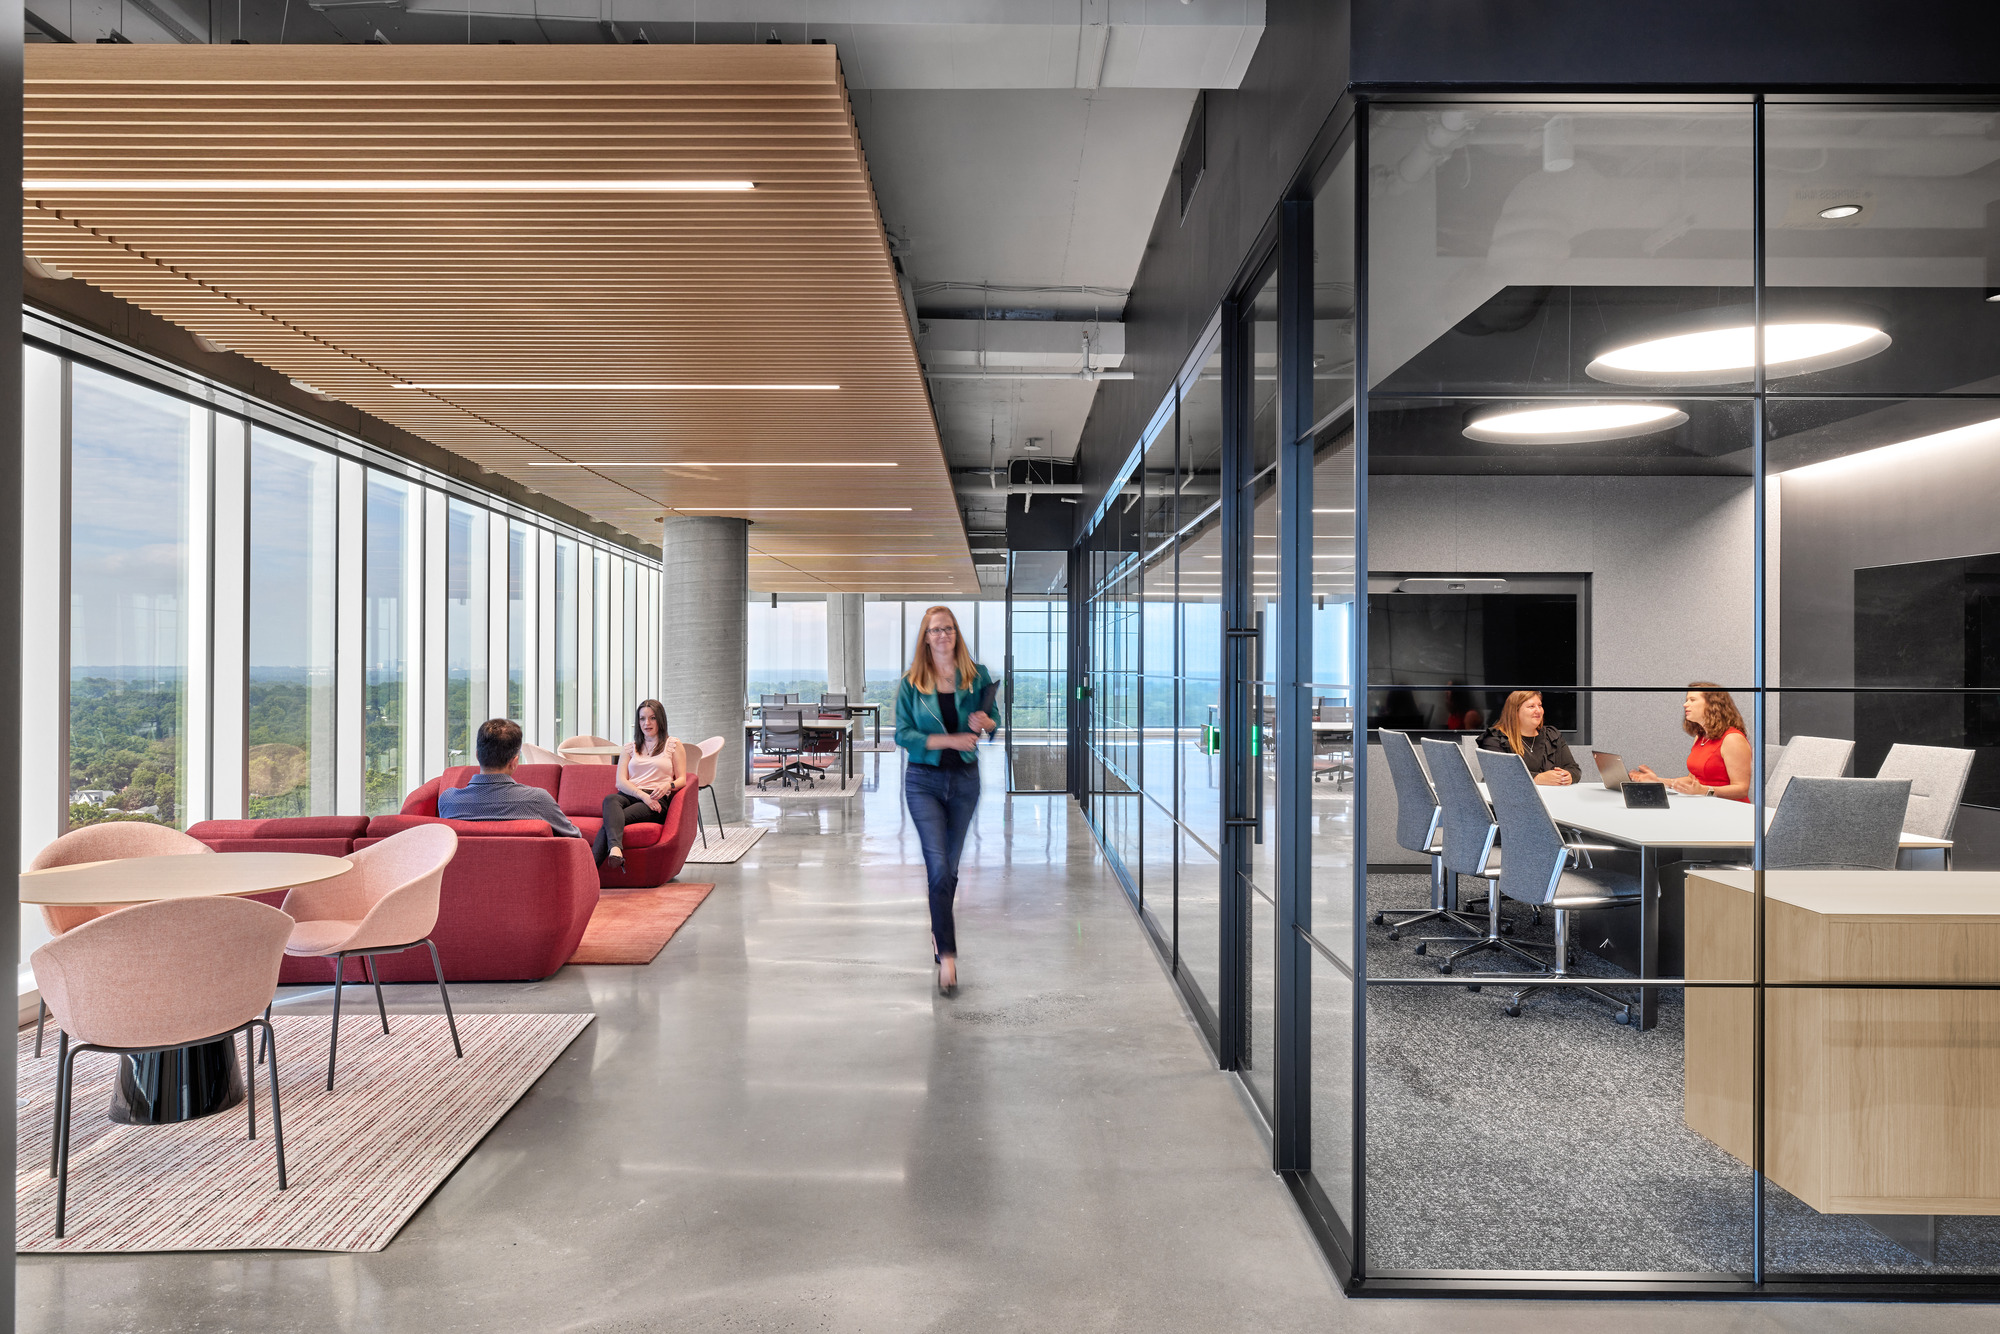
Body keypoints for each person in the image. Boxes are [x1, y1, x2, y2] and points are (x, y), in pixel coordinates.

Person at [894, 605, 998, 997]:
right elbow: (903, 735)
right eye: (935, 630)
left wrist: (987, 724)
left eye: (948, 629)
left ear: (956, 634)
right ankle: (948, 953)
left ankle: (939, 933)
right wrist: (949, 740)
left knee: (949, 870)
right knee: (937, 865)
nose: (943, 635)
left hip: (965, 783)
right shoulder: (912, 684)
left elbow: (995, 720)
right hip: (924, 783)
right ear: (925, 637)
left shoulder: (977, 677)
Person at [439, 718, 584, 838]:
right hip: (528, 872)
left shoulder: (448, 801)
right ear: (514, 762)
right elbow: (574, 836)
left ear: (477, 755)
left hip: (464, 872)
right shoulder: (537, 800)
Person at [596, 698, 686, 869]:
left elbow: (682, 779)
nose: (647, 723)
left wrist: (669, 786)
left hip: (656, 799)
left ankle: (588, 872)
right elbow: (620, 782)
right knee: (610, 799)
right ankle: (615, 849)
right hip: (634, 794)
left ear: (660, 720)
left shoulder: (673, 744)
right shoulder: (630, 747)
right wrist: (643, 796)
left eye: (652, 718)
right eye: (642, 719)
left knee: (613, 821)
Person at [1628, 682, 1752, 802]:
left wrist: (1705, 790)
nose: (1685, 704)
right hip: (1705, 804)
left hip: (1731, 809)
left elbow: (1741, 789)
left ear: (1712, 705)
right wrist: (1658, 781)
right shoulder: (1701, 737)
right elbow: (1691, 780)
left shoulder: (1733, 738)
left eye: (1692, 700)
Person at [1476, 690, 1581, 785]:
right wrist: (1537, 778)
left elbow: (1573, 768)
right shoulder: (1495, 739)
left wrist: (1569, 776)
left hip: (1552, 800)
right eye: (1531, 706)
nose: (1538, 711)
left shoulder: (1552, 735)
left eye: (1540, 705)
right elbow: (1498, 776)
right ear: (1515, 712)